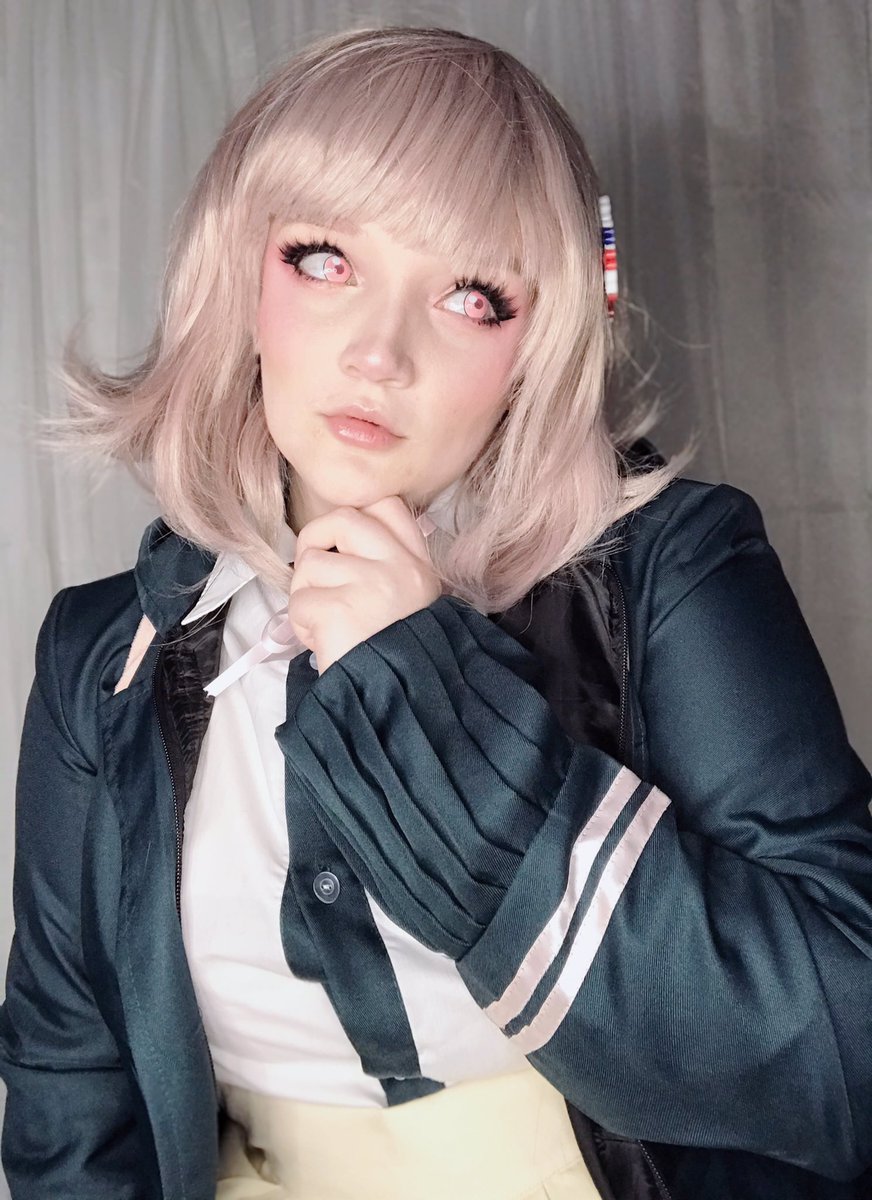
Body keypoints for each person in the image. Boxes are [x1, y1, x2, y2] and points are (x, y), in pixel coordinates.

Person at [1, 23, 870, 1200]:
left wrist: (431, 706)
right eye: (323, 258)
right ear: (238, 273)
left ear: (539, 344)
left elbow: (845, 1050)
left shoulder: (670, 571)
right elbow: (67, 1083)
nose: (379, 352)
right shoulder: (102, 655)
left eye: (470, 296)